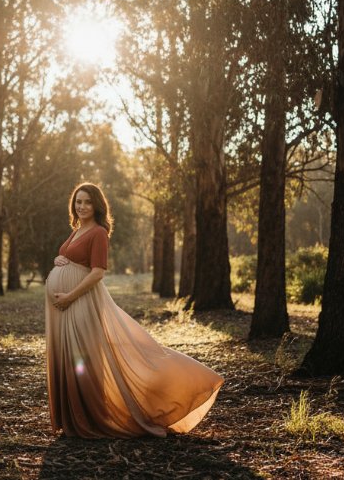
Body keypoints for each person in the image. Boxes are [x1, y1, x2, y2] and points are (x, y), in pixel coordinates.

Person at [45, 182, 224, 438]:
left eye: (87, 202)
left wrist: (69, 296)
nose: (81, 206)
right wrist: (59, 260)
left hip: (80, 302)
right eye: (78, 201)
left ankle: (89, 418)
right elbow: (75, 260)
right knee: (68, 358)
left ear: (97, 205)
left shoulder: (98, 232)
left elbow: (97, 273)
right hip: (64, 306)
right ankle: (73, 418)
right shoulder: (77, 230)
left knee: (83, 358)